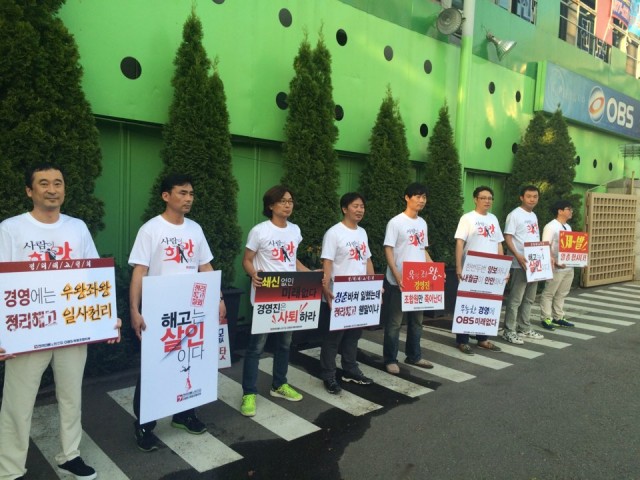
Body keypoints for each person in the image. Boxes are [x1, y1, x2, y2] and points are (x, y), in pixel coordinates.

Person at [0, 163, 121, 480]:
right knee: (17, 403)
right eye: (43, 183)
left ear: (64, 189)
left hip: (71, 327)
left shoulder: (77, 227)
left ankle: (69, 455)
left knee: (71, 396)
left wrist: (107, 318)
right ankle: (9, 470)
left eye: (58, 183)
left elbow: (93, 276)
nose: (52, 189)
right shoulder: (11, 229)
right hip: (26, 331)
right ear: (29, 191)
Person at [129, 173, 226, 452]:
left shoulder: (195, 229)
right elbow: (140, 271)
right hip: (160, 312)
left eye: (191, 194)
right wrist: (134, 310)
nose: (188, 198)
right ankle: (144, 424)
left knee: (190, 360)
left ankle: (184, 414)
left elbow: (205, 266)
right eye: (182, 193)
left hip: (192, 310)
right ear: (166, 196)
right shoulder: (151, 229)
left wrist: (218, 297)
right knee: (154, 366)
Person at [240, 186, 310, 417]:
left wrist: (310, 274)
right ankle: (249, 392)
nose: (288, 205)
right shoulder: (260, 231)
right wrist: (253, 274)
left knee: (285, 343)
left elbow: (293, 260)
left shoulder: (295, 230)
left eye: (290, 201)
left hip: (289, 295)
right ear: (270, 205)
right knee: (256, 347)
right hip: (266, 296)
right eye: (282, 201)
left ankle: (279, 384)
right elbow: (247, 260)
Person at [319, 193, 375, 394]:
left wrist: (373, 285)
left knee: (353, 335)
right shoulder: (334, 233)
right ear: (344, 209)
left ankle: (350, 369)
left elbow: (367, 260)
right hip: (339, 292)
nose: (360, 210)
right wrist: (326, 288)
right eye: (355, 206)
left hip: (358, 292)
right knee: (333, 338)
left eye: (362, 206)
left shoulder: (362, 232)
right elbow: (327, 262)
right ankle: (329, 375)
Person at [383, 182, 434, 374]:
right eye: (417, 196)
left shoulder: (422, 223)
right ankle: (390, 359)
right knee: (394, 323)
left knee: (417, 321)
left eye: (424, 197)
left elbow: (422, 249)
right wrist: (396, 274)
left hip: (419, 281)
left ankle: (414, 355)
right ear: (407, 197)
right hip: (399, 281)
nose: (421, 200)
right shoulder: (396, 222)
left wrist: (434, 268)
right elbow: (388, 249)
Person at [454, 186, 504, 354]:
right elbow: (460, 243)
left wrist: (503, 267)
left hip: (490, 270)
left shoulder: (493, 219)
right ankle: (462, 340)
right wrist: (459, 266)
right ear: (475, 199)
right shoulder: (467, 218)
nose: (487, 201)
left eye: (490, 198)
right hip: (472, 268)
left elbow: (499, 243)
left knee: (487, 303)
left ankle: (483, 339)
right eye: (483, 198)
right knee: (467, 303)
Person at [502, 185, 545, 344]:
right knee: (515, 299)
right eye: (529, 196)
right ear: (521, 197)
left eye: (535, 196)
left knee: (529, 298)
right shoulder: (514, 215)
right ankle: (509, 330)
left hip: (534, 263)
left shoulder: (533, 215)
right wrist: (518, 256)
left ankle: (524, 327)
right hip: (519, 263)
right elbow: (507, 237)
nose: (532, 199)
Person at [539, 200, 576, 330]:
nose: (571, 211)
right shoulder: (551, 226)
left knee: (562, 293)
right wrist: (554, 260)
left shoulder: (568, 227)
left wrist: (578, 260)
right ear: (560, 211)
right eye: (568, 209)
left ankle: (558, 317)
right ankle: (546, 318)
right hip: (555, 266)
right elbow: (545, 245)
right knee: (549, 293)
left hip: (568, 266)